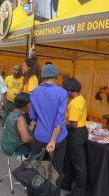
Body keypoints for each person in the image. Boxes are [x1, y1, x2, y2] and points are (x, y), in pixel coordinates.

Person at [29, 64, 68, 196]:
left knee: (37, 167)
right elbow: (59, 121)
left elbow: (33, 116)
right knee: (55, 170)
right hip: (59, 138)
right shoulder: (62, 93)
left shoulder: (35, 92)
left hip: (39, 135)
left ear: (42, 76)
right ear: (56, 77)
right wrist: (53, 140)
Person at [61, 78, 88, 196]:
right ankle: (66, 183)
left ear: (70, 89)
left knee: (79, 164)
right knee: (69, 160)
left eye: (64, 88)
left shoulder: (75, 103)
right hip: (78, 132)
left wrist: (60, 121)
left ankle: (78, 192)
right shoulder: (79, 99)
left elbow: (73, 123)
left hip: (76, 133)